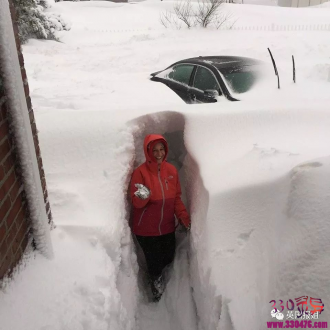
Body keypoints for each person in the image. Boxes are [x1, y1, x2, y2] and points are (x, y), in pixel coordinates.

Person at [130, 134, 191, 301]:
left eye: (161, 149)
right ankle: (156, 291)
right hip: (146, 231)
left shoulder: (171, 171)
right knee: (155, 264)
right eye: (154, 150)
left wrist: (183, 217)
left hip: (167, 227)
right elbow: (135, 201)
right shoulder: (140, 173)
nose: (158, 153)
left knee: (168, 259)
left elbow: (176, 198)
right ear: (148, 151)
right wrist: (143, 197)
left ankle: (168, 288)